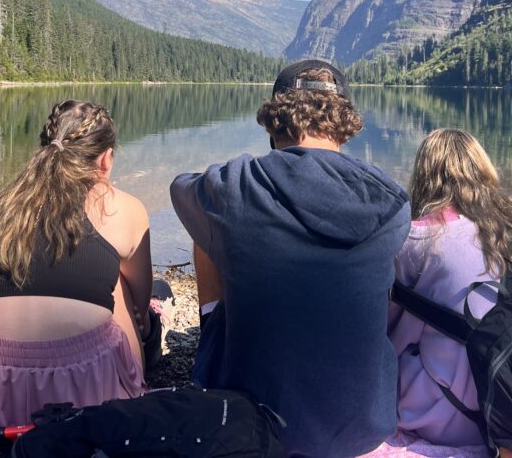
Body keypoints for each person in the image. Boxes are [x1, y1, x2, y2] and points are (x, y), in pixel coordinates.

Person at [170, 60, 411, 458]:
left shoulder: (238, 186)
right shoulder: (391, 201)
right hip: (362, 429)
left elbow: (181, 188)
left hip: (252, 422)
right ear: (343, 124)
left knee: (209, 233)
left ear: (273, 123)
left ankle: (215, 340)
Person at [0, 100, 154, 430]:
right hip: (82, 389)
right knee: (116, 280)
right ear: (104, 160)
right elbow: (141, 300)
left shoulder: (11, 203)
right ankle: (133, 391)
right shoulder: (122, 207)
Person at [388, 128, 512, 455]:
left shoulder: (415, 240)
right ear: (482, 171)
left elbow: (390, 333)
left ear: (424, 175)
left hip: (450, 418)